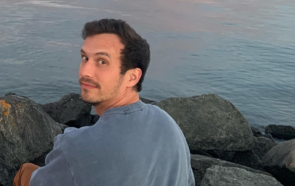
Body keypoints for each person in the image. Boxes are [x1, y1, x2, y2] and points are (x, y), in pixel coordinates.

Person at [14, 19, 194, 186]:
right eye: (85, 58)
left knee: (26, 172)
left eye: (102, 61)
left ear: (132, 77)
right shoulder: (168, 124)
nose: (86, 71)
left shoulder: (76, 148)